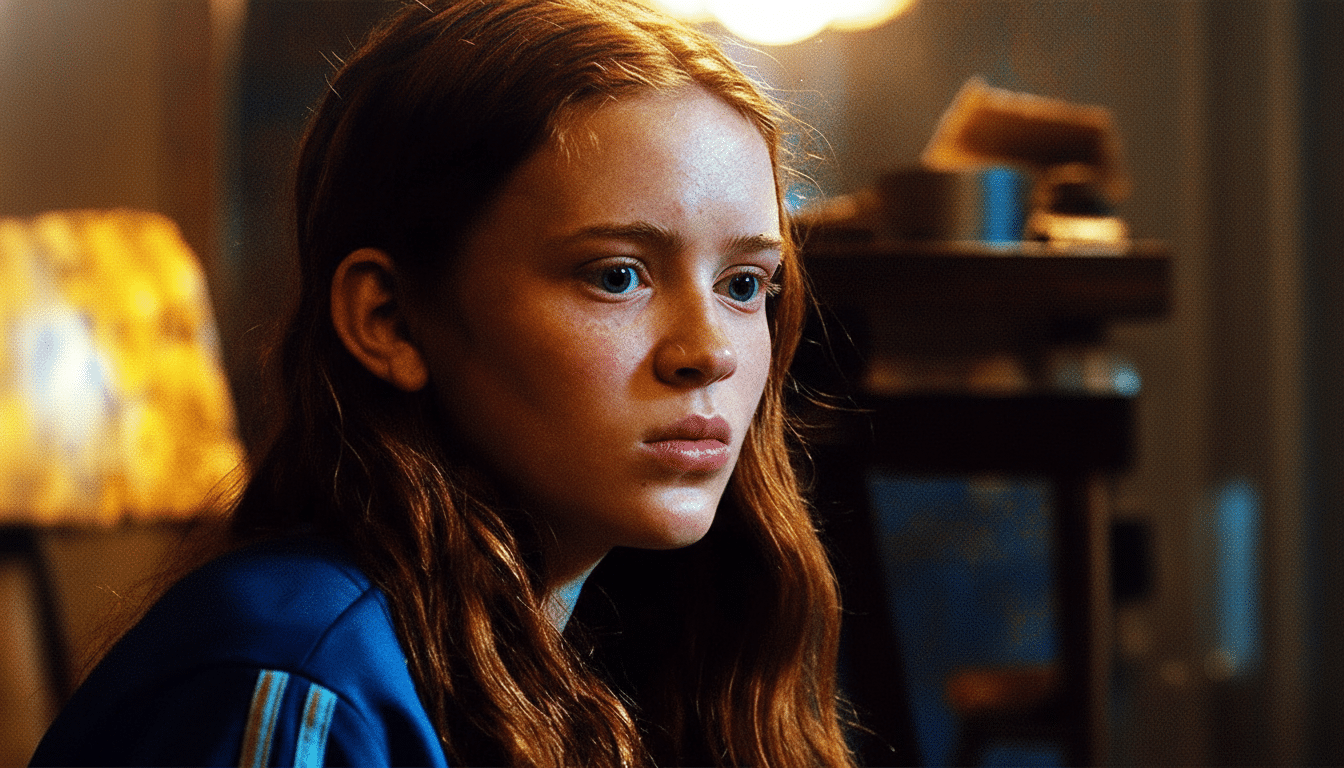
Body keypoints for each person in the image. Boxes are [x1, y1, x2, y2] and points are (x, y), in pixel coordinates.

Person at [31, 0, 853, 766]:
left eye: (746, 284)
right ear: (388, 320)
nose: (709, 352)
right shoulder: (292, 683)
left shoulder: (631, 655)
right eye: (616, 275)